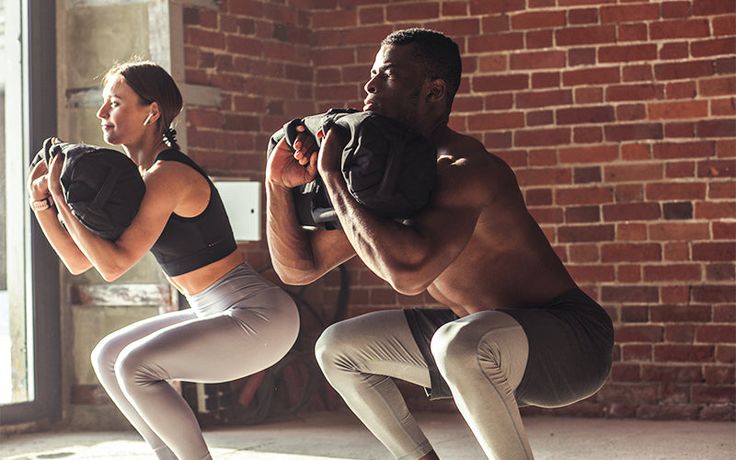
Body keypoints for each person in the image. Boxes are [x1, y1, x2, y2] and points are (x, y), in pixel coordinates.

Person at [266, 28, 613, 460]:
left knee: (459, 343)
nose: (370, 86)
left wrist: (333, 175)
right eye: (372, 74)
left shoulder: (467, 169)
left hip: (569, 341)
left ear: (433, 92)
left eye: (388, 75)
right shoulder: (384, 177)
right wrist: (278, 186)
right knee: (337, 348)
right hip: (477, 341)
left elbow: (408, 275)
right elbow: (297, 270)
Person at [27, 60, 299, 460]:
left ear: (151, 111)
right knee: (108, 355)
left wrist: (62, 197)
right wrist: (42, 205)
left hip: (258, 318)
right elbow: (80, 261)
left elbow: (114, 266)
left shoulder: (167, 175)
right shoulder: (136, 179)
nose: (102, 114)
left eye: (115, 103)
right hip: (214, 311)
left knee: (134, 365)